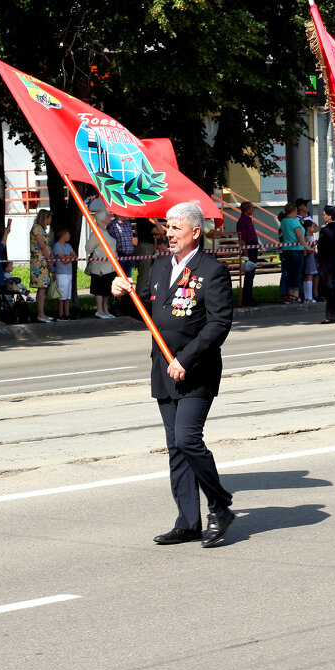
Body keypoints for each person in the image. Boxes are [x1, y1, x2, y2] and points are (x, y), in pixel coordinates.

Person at [112, 202, 236, 547]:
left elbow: (219, 324)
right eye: (167, 227)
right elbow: (150, 314)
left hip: (196, 372)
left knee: (187, 439)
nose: (169, 234)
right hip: (163, 371)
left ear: (196, 232)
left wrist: (187, 358)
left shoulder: (212, 270)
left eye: (176, 228)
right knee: (175, 448)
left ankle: (219, 505)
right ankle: (188, 521)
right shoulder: (160, 266)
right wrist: (123, 298)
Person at [84, 198, 116, 319]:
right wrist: (100, 256)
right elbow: (88, 247)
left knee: (106, 290)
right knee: (100, 290)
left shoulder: (105, 231)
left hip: (109, 266)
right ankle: (100, 310)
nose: (109, 217)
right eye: (107, 215)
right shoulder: (97, 232)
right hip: (100, 267)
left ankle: (105, 310)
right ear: (102, 218)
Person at [317, 205, 335, 324]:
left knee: (329, 288)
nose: (323, 216)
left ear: (329, 216)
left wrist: (318, 260)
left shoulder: (325, 230)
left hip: (326, 261)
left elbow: (321, 247)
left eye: (324, 214)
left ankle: (330, 315)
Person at [278, 203, 305, 303]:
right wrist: (306, 246)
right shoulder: (294, 222)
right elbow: (299, 236)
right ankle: (296, 295)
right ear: (294, 211)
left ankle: (290, 294)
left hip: (286, 250)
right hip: (296, 249)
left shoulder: (283, 222)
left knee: (289, 273)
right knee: (296, 273)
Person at [29, 209, 53, 323]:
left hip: (43, 260)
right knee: (42, 288)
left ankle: (42, 313)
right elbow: (42, 245)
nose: (51, 220)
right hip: (40, 261)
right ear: (45, 218)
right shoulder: (37, 228)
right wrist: (48, 258)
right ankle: (40, 314)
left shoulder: (41, 229)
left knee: (44, 287)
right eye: (49, 218)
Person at [235, 201, 258, 306]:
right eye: (251, 207)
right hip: (249, 249)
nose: (252, 209)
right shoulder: (243, 221)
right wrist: (245, 253)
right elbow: (242, 238)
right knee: (249, 275)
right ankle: (248, 299)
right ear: (247, 208)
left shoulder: (248, 220)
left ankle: (249, 298)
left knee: (251, 275)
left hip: (252, 248)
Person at [51, 227, 76, 320]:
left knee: (67, 295)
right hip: (61, 273)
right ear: (63, 235)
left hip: (69, 272)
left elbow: (75, 256)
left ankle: (67, 313)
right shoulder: (57, 246)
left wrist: (68, 257)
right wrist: (70, 257)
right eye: (68, 233)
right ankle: (60, 314)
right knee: (62, 294)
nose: (69, 235)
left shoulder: (68, 246)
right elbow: (64, 260)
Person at [301, 215, 319, 303]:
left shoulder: (308, 235)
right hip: (309, 257)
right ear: (308, 228)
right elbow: (308, 248)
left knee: (307, 276)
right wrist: (311, 249)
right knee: (309, 276)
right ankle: (309, 297)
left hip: (308, 257)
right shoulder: (308, 237)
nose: (314, 228)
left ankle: (307, 297)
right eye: (312, 226)